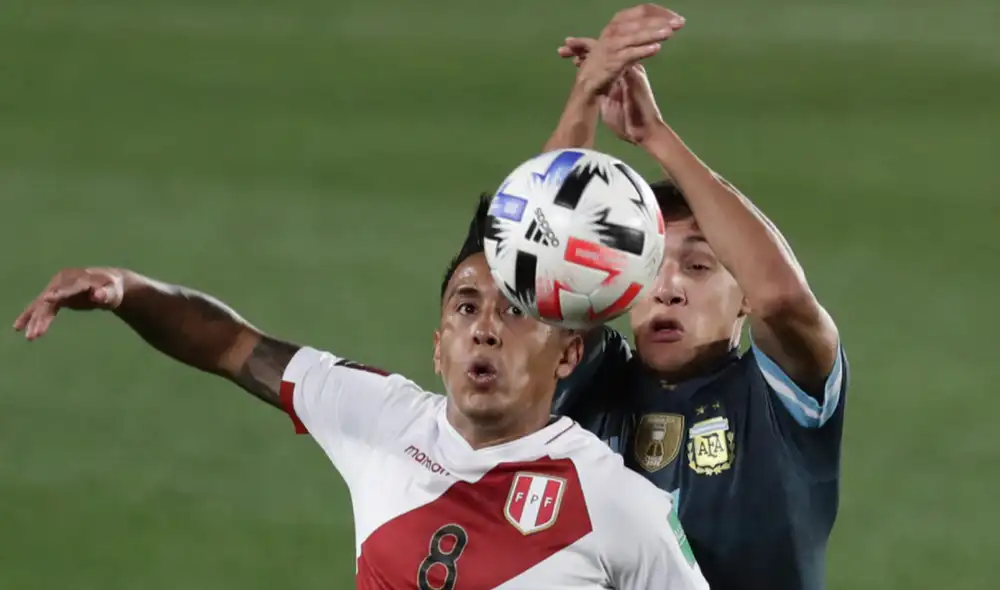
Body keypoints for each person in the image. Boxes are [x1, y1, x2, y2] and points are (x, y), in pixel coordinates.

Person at [14, 203, 708, 585]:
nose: (486, 331)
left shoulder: (618, 505)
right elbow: (231, 345)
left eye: (515, 311)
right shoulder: (381, 418)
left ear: (570, 354)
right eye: (466, 309)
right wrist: (127, 292)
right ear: (438, 347)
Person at [543, 7, 850, 590]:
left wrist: (653, 136)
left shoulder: (781, 397)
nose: (669, 288)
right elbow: (540, 255)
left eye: (700, 265)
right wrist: (585, 95)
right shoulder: (583, 375)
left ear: (743, 299)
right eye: (651, 266)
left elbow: (783, 297)